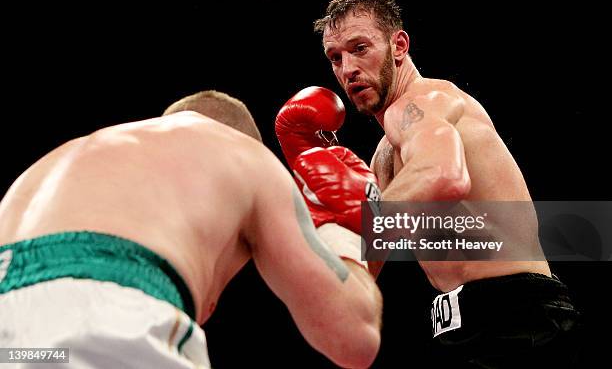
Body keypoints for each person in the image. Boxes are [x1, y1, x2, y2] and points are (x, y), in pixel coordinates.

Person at [280, 0, 579, 366]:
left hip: (521, 318)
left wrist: (363, 209)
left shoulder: (426, 101)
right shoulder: (384, 155)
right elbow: (363, 262)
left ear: (399, 45)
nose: (348, 68)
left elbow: (444, 176)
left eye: (360, 48)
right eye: (335, 58)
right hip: (466, 327)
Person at [0, 90, 382, 368]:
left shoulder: (67, 157)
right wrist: (347, 227)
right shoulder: (247, 156)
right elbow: (354, 336)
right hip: (108, 311)